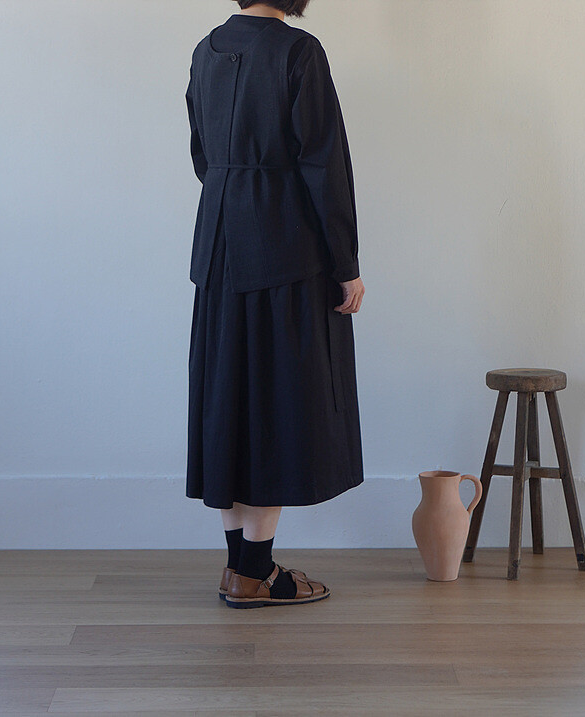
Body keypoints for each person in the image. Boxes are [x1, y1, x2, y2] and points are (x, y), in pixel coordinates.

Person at [184, 0, 365, 608]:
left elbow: (202, 156)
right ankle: (256, 572)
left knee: (229, 401)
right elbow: (323, 164)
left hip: (218, 248)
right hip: (284, 249)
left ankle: (239, 568)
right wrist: (345, 264)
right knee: (277, 402)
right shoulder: (298, 51)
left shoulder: (206, 50)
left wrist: (235, 192)